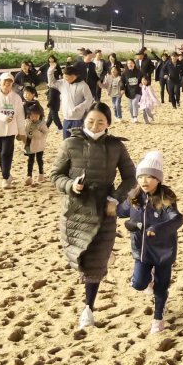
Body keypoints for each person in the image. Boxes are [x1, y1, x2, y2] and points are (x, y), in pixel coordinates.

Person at [51, 103, 138, 330]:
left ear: (108, 123)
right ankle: (98, 266)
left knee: (95, 264)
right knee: (78, 256)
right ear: (84, 121)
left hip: (104, 211)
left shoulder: (116, 146)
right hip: (75, 210)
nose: (95, 125)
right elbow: (55, 175)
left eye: (100, 122)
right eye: (91, 121)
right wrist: (71, 185)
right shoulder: (70, 144)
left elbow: (131, 177)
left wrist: (116, 198)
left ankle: (88, 308)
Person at [119, 150, 183, 334]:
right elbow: (119, 211)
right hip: (142, 252)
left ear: (158, 179)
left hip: (163, 252)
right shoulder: (134, 198)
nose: (144, 181)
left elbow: (177, 219)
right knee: (139, 283)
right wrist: (126, 221)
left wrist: (158, 229)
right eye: (141, 176)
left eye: (150, 177)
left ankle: (158, 319)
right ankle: (147, 281)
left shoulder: (166, 199)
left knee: (161, 287)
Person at [0, 72, 25, 188]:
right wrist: (4, 117)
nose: (7, 85)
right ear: (0, 83)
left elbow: (20, 115)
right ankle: (7, 175)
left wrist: (21, 132)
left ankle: (5, 177)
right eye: (5, 82)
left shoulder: (16, 97)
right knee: (0, 153)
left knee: (6, 153)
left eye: (9, 83)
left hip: (10, 130)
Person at [57, 66, 95, 139]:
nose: (64, 78)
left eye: (66, 76)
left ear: (74, 75)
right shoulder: (63, 83)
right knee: (66, 140)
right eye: (64, 76)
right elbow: (52, 83)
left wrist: (79, 108)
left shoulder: (83, 85)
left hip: (78, 118)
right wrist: (51, 70)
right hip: (66, 118)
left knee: (77, 140)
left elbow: (89, 100)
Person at [22, 102, 48, 186]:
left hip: (39, 145)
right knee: (30, 160)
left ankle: (41, 174)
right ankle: (29, 176)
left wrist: (37, 133)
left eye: (36, 116)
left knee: (39, 160)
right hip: (29, 145)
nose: (34, 118)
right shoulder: (26, 122)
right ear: (29, 115)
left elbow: (45, 134)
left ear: (40, 115)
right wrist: (21, 136)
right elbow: (24, 131)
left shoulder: (42, 123)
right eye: (32, 116)